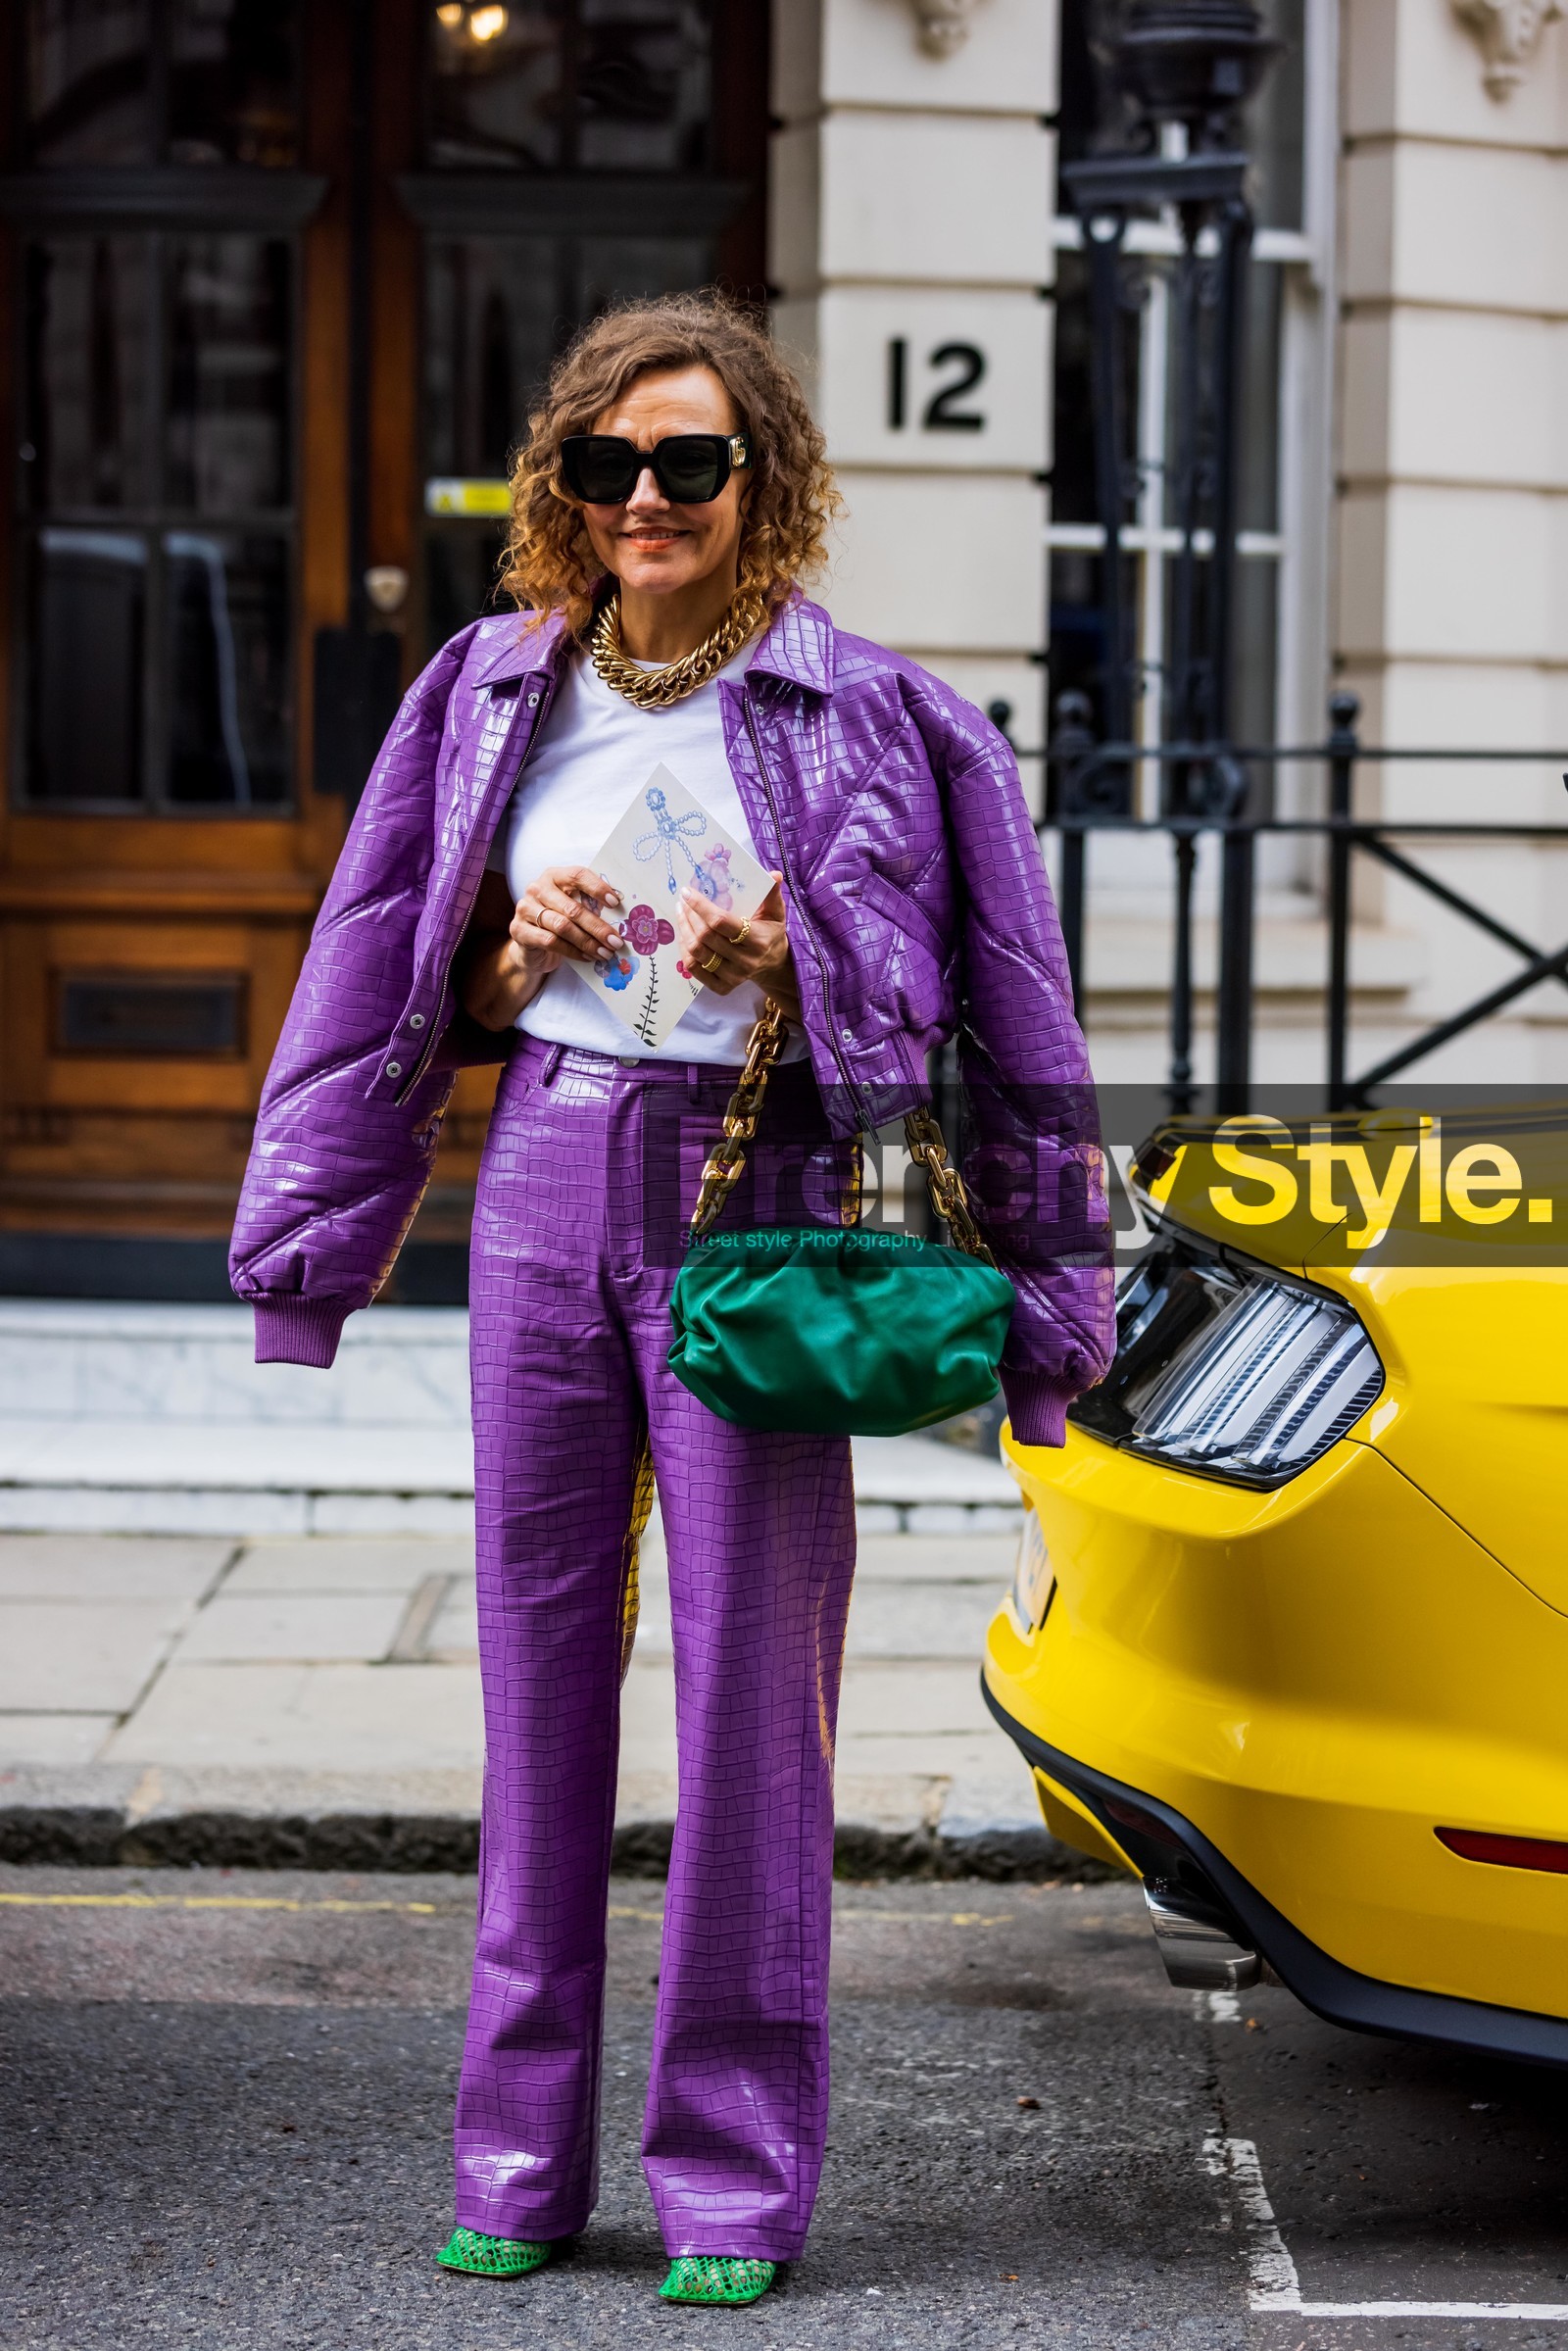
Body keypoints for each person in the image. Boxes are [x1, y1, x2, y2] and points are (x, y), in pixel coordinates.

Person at [229, 292, 1113, 2305]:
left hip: (767, 1189)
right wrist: (494, 965)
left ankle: (725, 2178)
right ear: (561, 482)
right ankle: (518, 2156)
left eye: (689, 463)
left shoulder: (881, 713)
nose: (646, 498)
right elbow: (385, 971)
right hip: (546, 1166)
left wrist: (806, 981)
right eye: (607, 464)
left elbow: (1017, 1016)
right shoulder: (481, 688)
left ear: (758, 481)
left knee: (748, 1706)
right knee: (535, 1687)